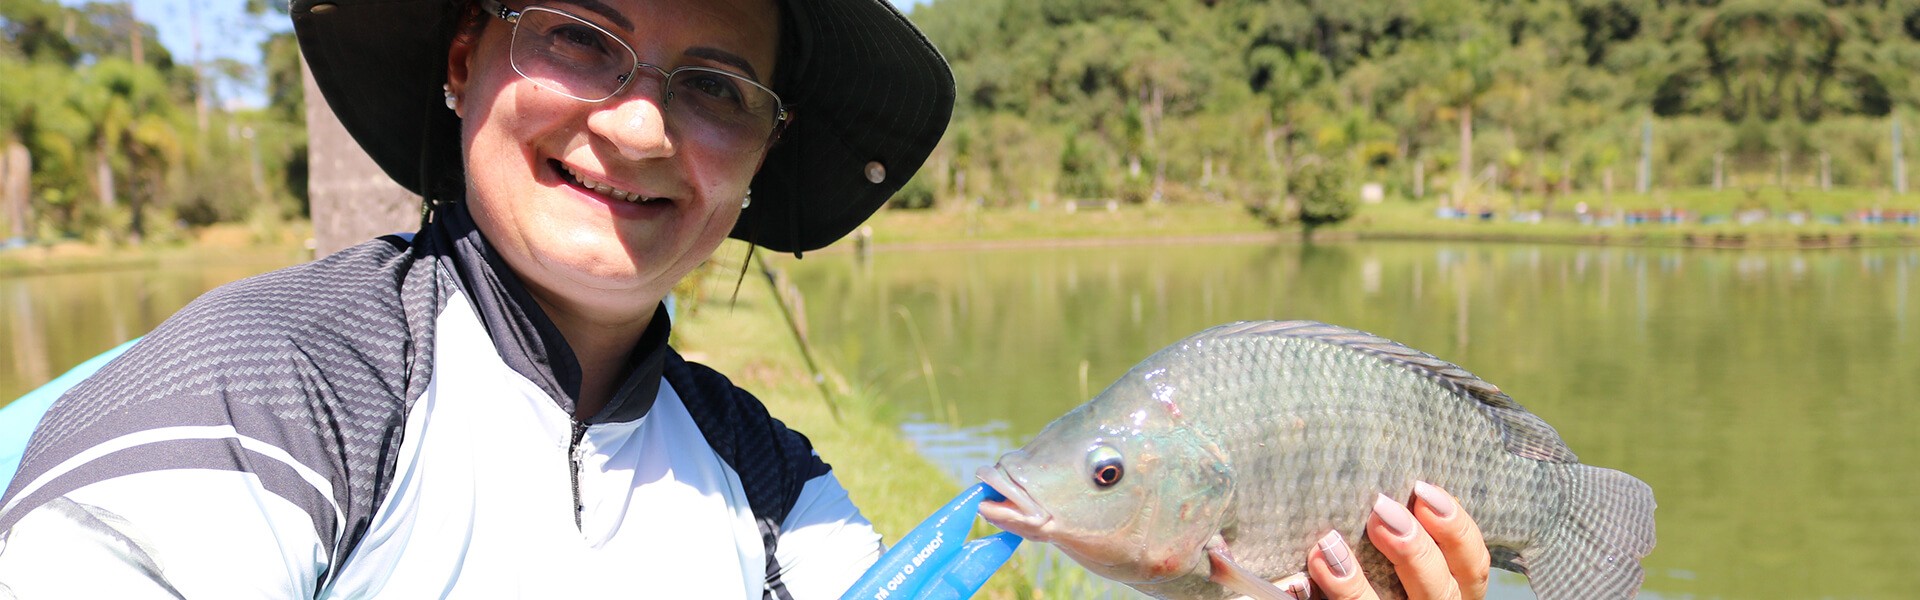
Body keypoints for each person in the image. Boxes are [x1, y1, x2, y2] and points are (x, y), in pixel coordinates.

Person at [0, 0, 1490, 597]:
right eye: (580, 33)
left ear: (766, 152)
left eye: (715, 85)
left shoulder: (780, 495)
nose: (642, 126)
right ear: (463, 60)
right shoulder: (276, 396)